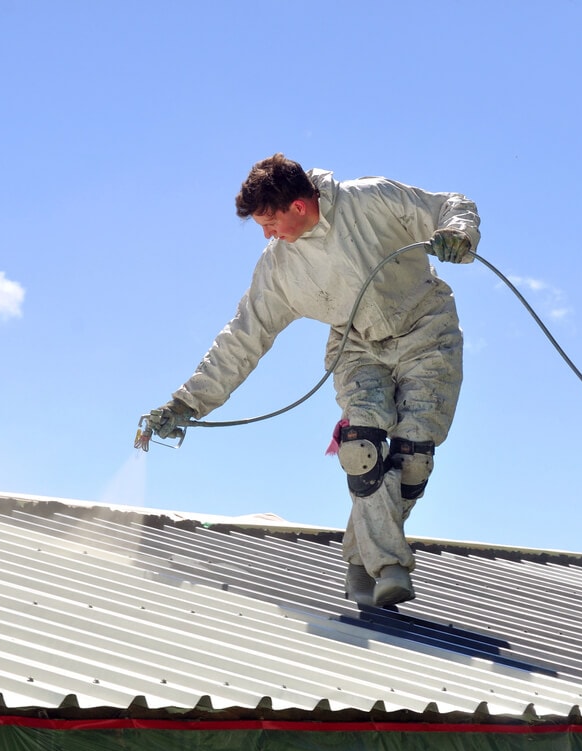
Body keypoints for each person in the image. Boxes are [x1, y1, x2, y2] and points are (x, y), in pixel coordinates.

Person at [144, 154, 479, 608]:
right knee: (360, 449)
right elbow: (242, 337)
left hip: (428, 330)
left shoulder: (370, 199)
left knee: (413, 457)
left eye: (270, 222)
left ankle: (360, 561)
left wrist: (458, 232)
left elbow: (449, 204)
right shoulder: (279, 268)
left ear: (298, 206)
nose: (267, 234)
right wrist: (187, 403)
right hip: (356, 344)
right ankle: (390, 566)